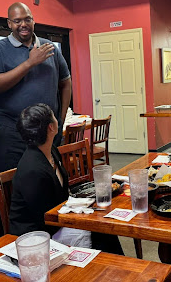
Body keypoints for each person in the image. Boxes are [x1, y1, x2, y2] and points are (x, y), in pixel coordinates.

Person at [9, 103, 124, 254]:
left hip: (56, 220)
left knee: (103, 224)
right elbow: (45, 217)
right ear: (51, 127)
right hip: (37, 236)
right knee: (100, 231)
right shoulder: (33, 169)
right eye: (54, 117)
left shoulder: (51, 151)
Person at [0, 2, 72, 174]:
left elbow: (66, 82)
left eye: (27, 19)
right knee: (9, 184)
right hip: (8, 132)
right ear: (9, 24)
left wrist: (59, 119)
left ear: (33, 21)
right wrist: (29, 63)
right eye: (17, 21)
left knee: (46, 180)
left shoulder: (49, 48)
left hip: (45, 131)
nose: (23, 24)